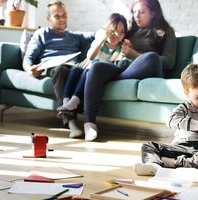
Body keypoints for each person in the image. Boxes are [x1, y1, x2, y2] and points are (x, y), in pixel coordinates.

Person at [83, 0, 177, 141]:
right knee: (97, 66)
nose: (136, 16)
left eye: (141, 12)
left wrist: (133, 54)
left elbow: (169, 62)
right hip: (124, 69)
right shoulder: (130, 30)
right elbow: (110, 36)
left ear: (153, 12)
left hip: (149, 68)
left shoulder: (166, 31)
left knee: (151, 57)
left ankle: (112, 78)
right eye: (134, 12)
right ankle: (89, 124)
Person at [134, 64, 198, 176]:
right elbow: (170, 120)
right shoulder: (185, 107)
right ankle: (154, 165)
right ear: (187, 94)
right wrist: (197, 125)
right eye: (197, 97)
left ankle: (170, 163)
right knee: (148, 146)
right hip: (181, 147)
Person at [22, 0, 94, 138]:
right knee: (61, 69)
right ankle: (71, 123)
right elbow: (28, 58)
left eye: (64, 15)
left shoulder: (74, 36)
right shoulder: (42, 33)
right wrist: (30, 69)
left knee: (85, 69)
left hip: (73, 68)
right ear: (48, 18)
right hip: (54, 67)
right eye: (57, 16)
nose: (62, 19)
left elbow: (96, 34)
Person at [57, 13, 129, 134]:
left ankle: (74, 101)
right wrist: (101, 40)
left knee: (87, 72)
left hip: (95, 73)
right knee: (75, 69)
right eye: (113, 30)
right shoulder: (101, 41)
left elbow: (117, 66)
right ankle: (66, 104)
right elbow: (90, 57)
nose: (116, 35)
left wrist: (124, 53)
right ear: (107, 30)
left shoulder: (120, 48)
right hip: (86, 66)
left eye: (121, 32)